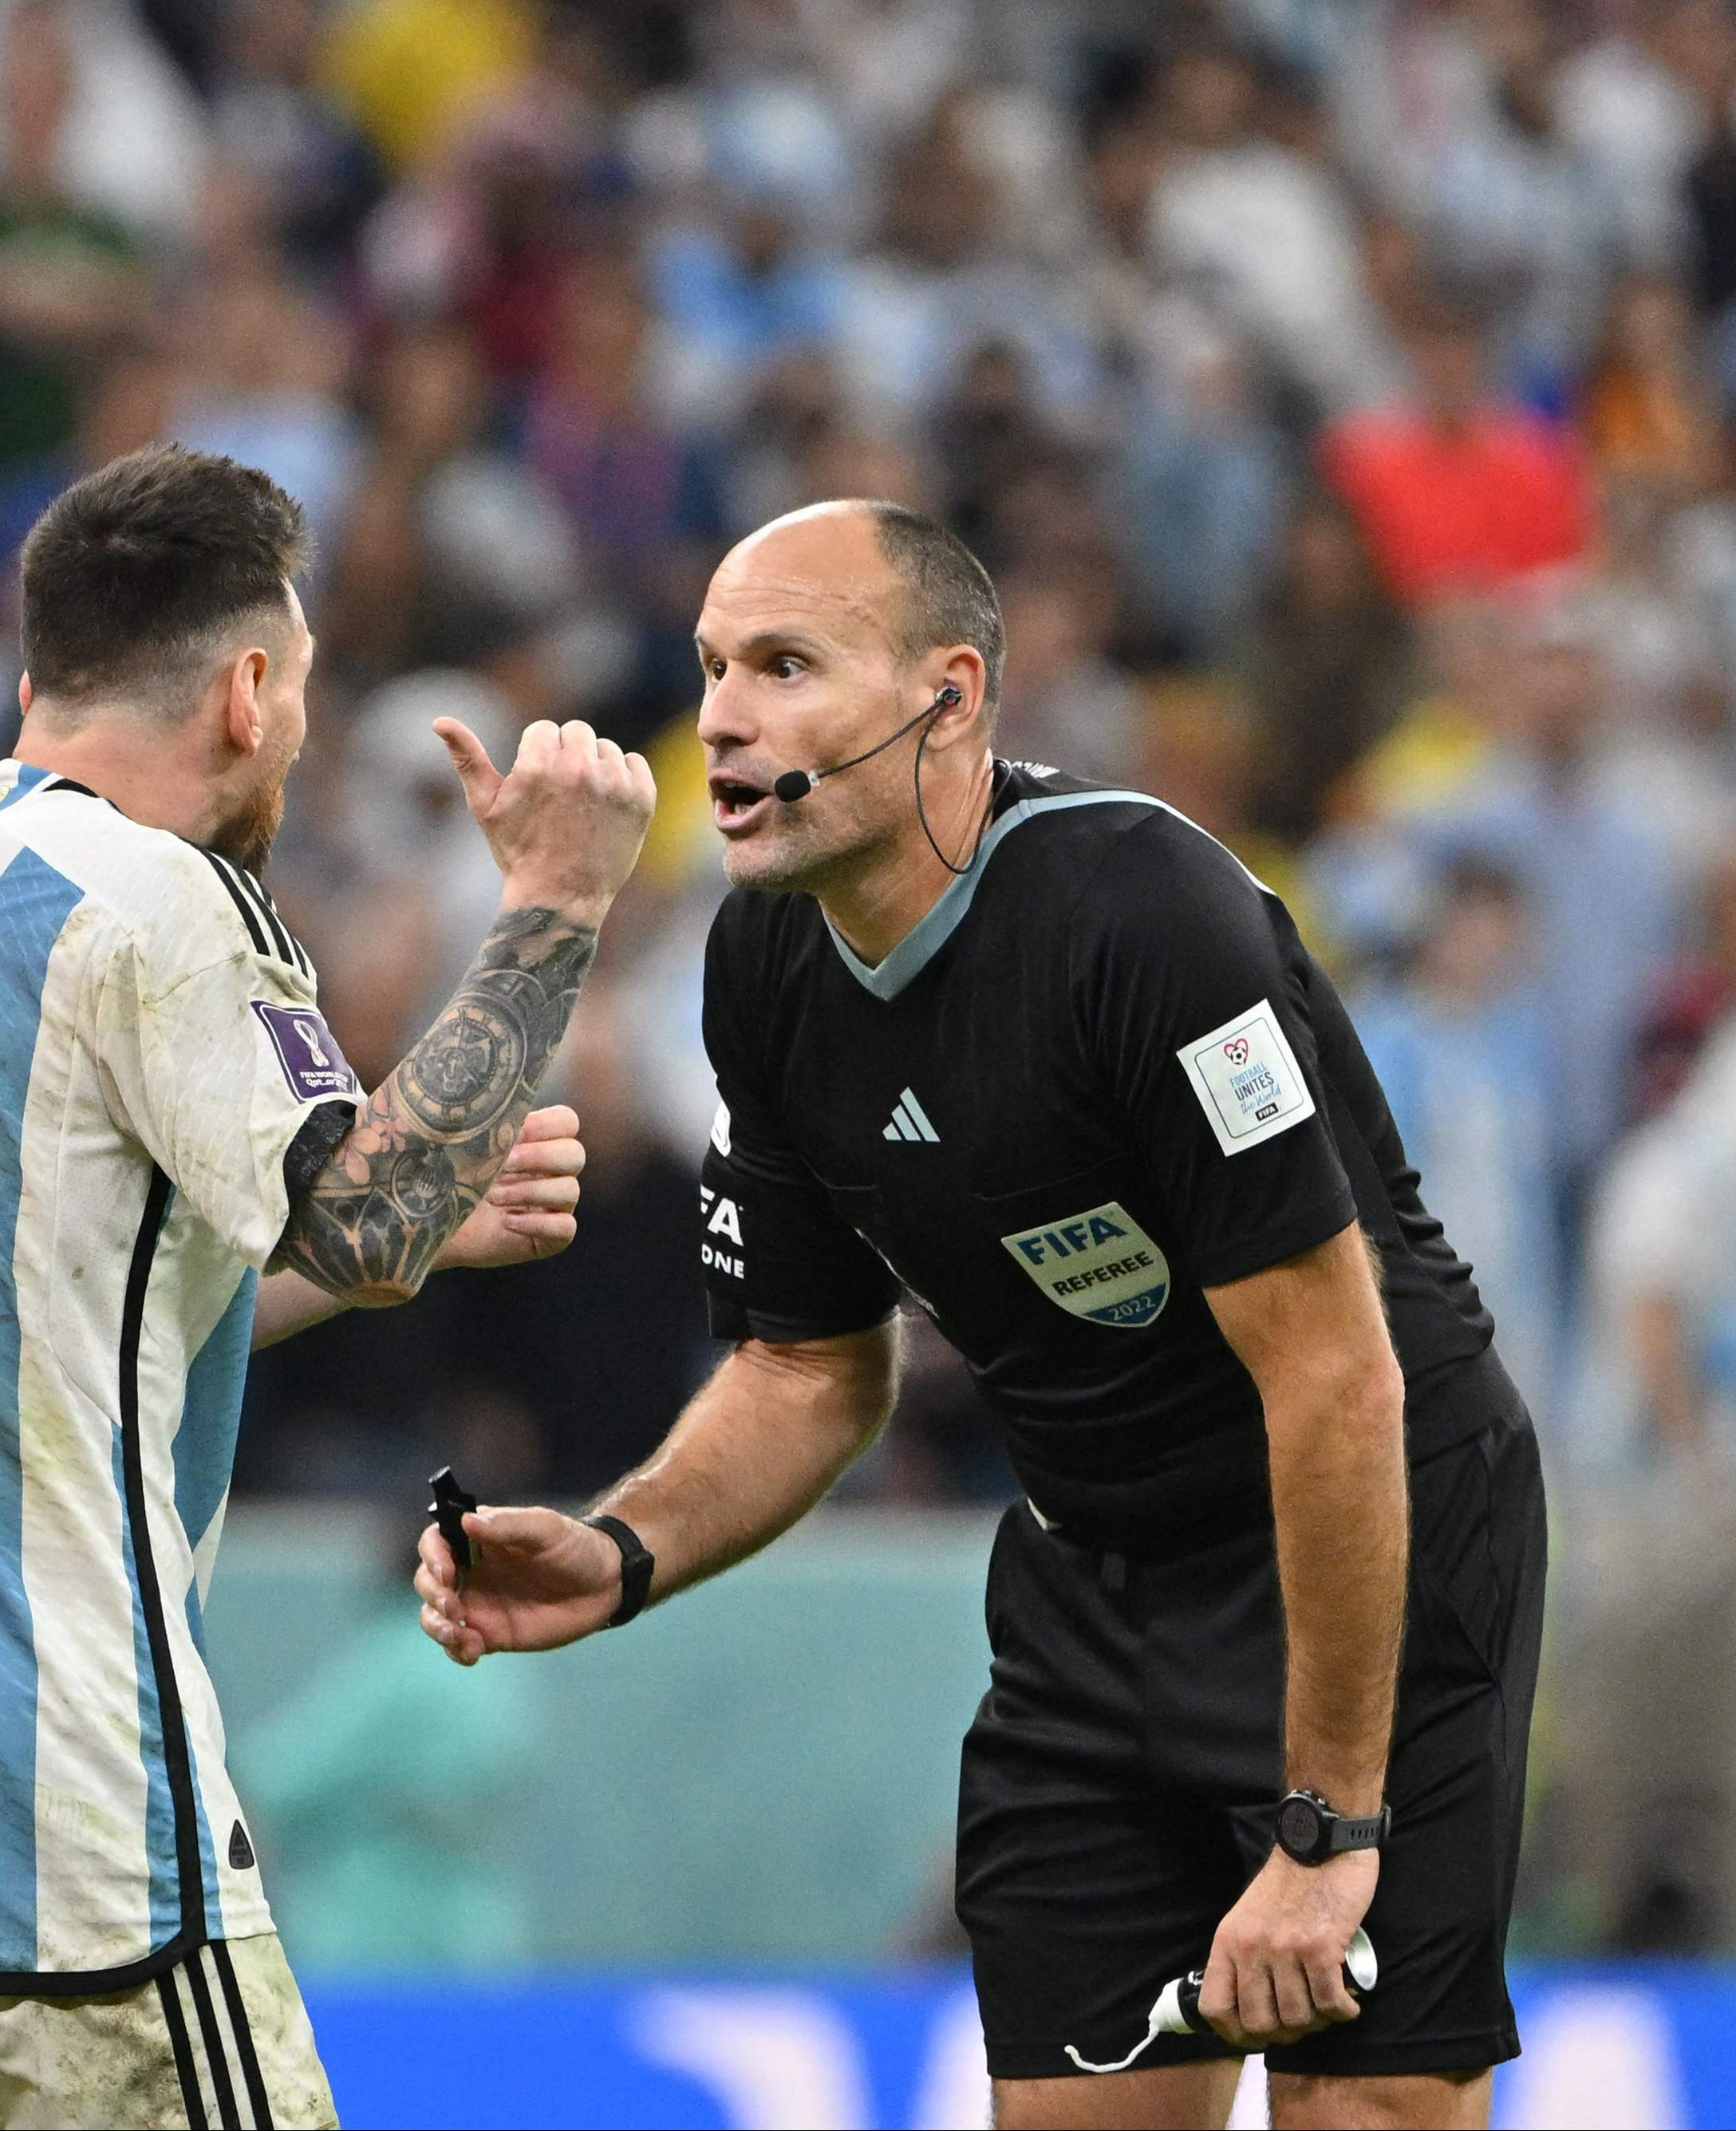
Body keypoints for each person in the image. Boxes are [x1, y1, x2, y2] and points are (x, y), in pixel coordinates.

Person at [419, 500, 1548, 2131]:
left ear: (945, 697)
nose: (721, 715)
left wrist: (1324, 1823)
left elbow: (1335, 1385)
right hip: (1093, 1573)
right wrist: (621, 1546)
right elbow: (808, 1366)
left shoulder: (1139, 917)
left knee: (1358, 2110)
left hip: (1366, 1552)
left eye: (784, 665)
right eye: (712, 666)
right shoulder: (763, 963)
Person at [0, 442, 647, 2129]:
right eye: (292, 688)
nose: (291, 728)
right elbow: (360, 1225)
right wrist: (555, 900)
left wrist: (413, 1213)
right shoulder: (153, 896)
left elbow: (51, 1312)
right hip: (51, 1848)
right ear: (242, 688)